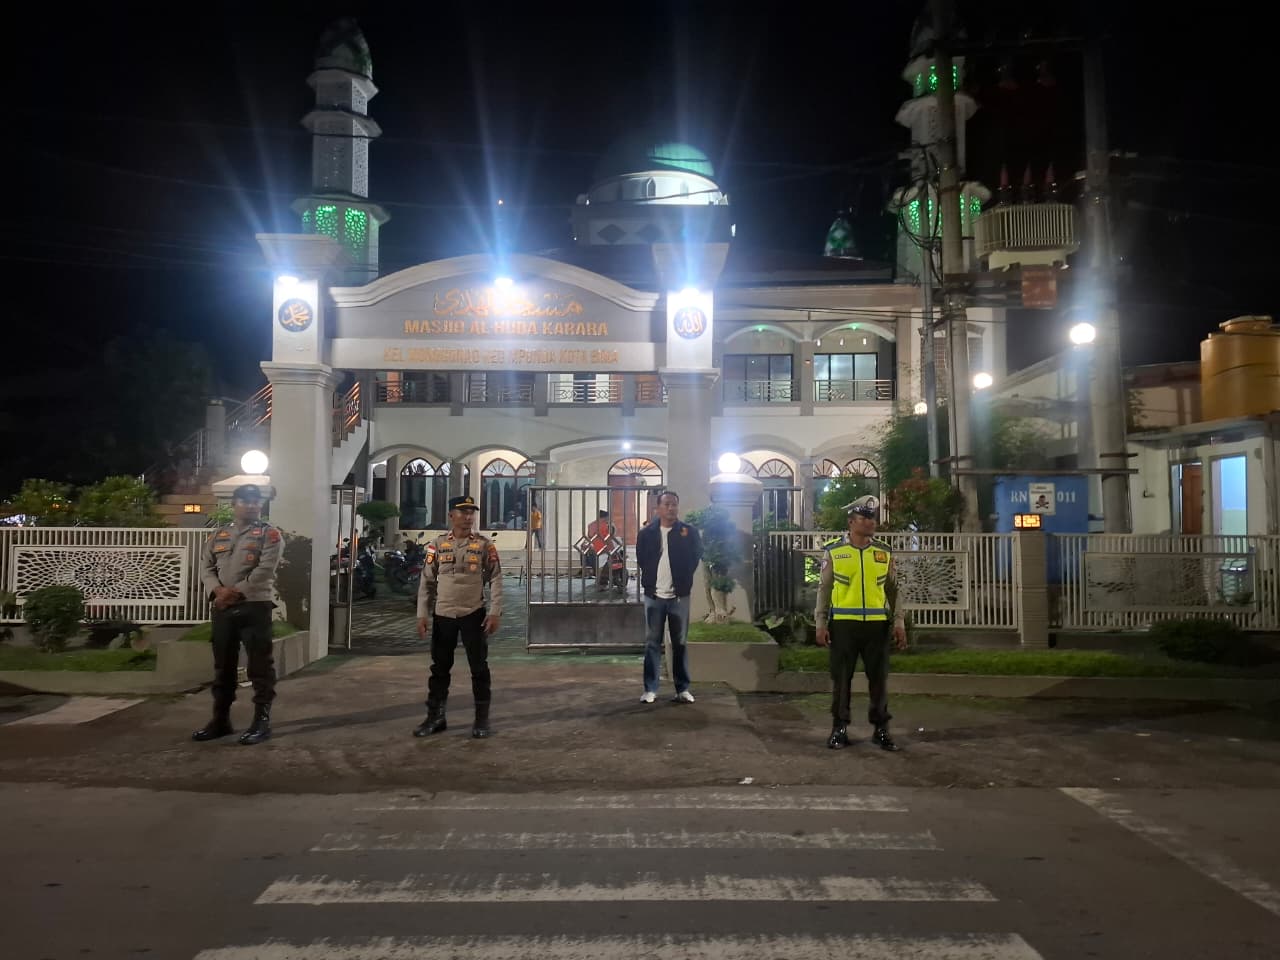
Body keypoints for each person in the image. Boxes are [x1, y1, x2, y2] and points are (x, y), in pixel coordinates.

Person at [814, 494, 908, 752]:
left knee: (879, 680)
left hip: (877, 626)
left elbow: (893, 590)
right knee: (841, 679)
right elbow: (824, 589)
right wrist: (820, 623)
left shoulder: (883, 552)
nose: (870, 523)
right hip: (844, 625)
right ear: (851, 522)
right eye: (864, 518)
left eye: (872, 518)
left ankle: (881, 729)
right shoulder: (835, 551)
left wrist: (899, 622)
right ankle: (839, 729)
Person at [193, 484, 284, 746]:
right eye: (245, 501)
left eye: (256, 501)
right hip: (223, 608)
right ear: (234, 505)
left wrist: (235, 592)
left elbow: (265, 570)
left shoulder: (270, 535)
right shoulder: (218, 535)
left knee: (260, 666)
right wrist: (218, 591)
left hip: (254, 606)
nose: (252, 506)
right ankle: (220, 720)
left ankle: (261, 721)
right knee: (223, 666)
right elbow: (206, 567)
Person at [414, 494, 503, 739]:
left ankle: (481, 720)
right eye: (463, 512)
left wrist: (495, 611)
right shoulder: (437, 544)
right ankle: (436, 717)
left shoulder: (485, 545)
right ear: (451, 515)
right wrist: (422, 614)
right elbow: (427, 581)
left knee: (479, 668)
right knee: (439, 669)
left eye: (471, 512)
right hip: (444, 614)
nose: (468, 517)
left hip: (474, 614)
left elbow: (496, 578)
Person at [634, 490, 703, 704]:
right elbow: (641, 558)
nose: (671, 508)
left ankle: (682, 689)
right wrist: (651, 579)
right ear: (658, 508)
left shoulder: (688, 532)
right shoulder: (647, 533)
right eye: (667, 504)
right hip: (654, 596)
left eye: (674, 504)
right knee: (652, 643)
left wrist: (683, 578)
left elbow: (696, 556)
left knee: (680, 642)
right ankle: (650, 689)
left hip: (679, 597)